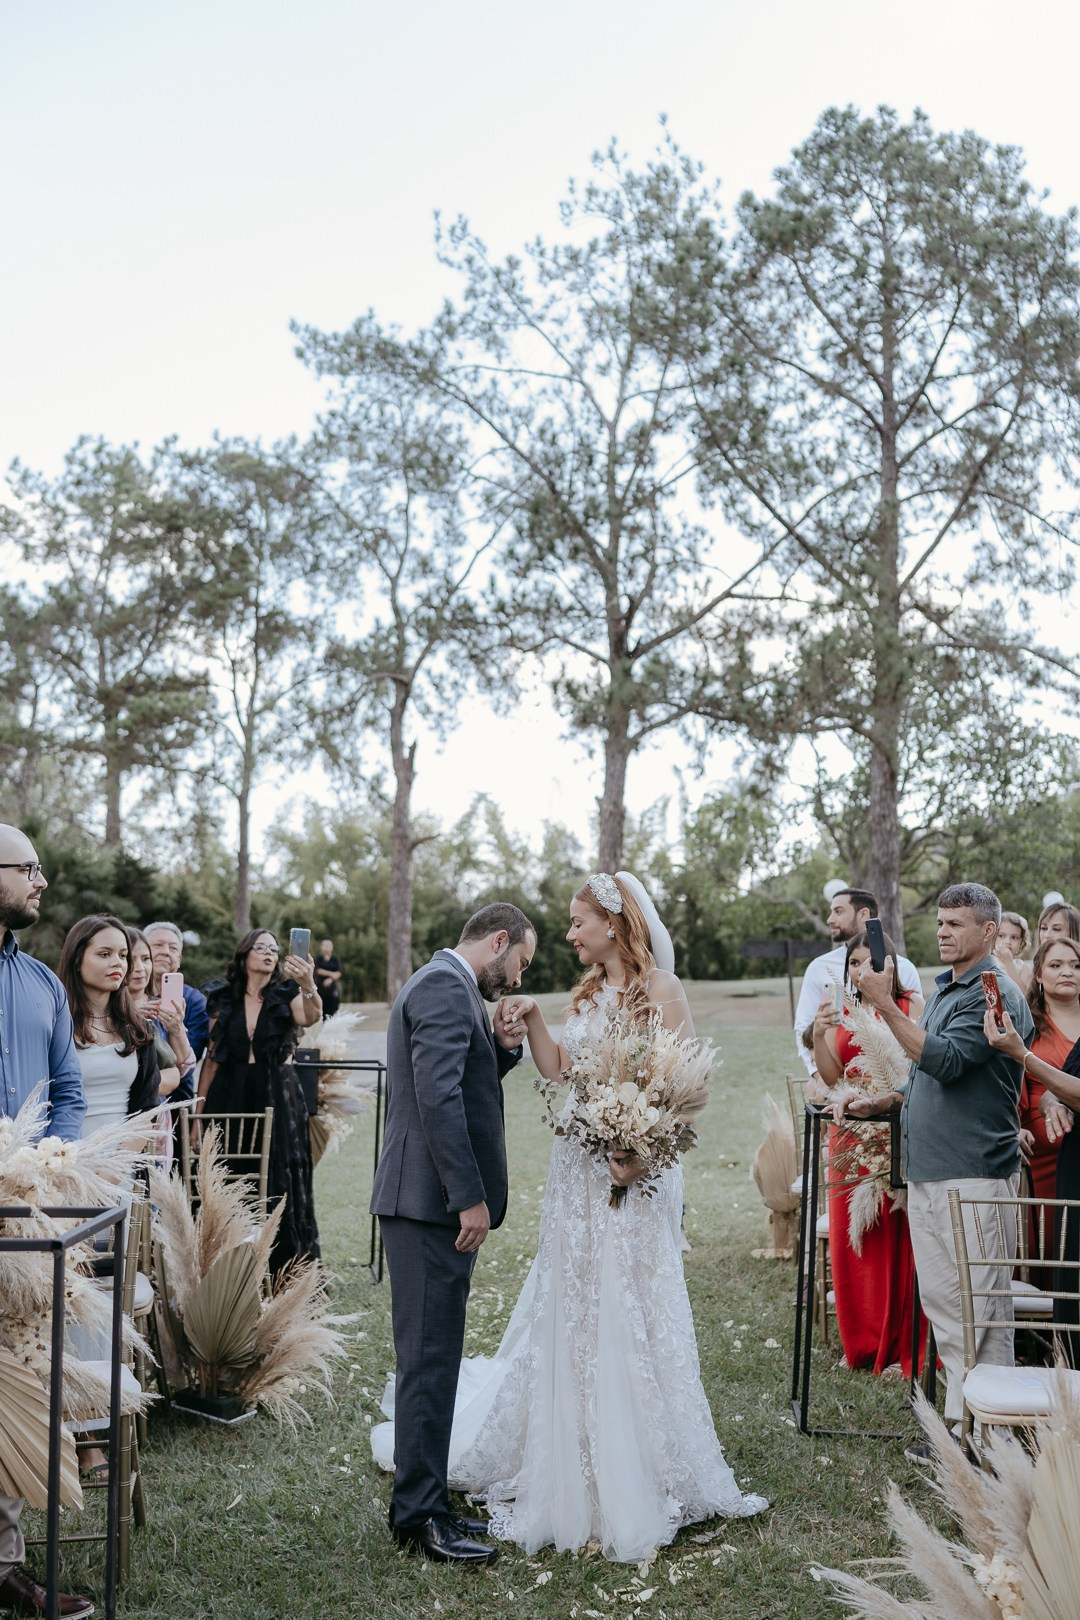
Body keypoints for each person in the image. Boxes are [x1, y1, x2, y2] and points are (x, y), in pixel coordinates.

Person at [372, 874, 767, 1563]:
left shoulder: (664, 993)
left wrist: (641, 1152)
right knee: (578, 1308)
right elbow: (559, 1070)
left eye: (578, 922)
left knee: (633, 1307)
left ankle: (636, 1463)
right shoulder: (583, 996)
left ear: (615, 925)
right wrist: (529, 1026)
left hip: (634, 1171)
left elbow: (690, 1088)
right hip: (581, 1174)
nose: (569, 934)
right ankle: (569, 1458)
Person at [370, 904, 535, 1566]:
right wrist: (467, 1198)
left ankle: (428, 1494)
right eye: (520, 961)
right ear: (498, 940)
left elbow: (461, 1085)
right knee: (429, 1361)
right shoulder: (443, 987)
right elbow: (436, 1101)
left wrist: (500, 1047)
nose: (517, 976)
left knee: (435, 1357)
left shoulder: (451, 986)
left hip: (425, 1203)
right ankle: (419, 1518)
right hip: (429, 1204)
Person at [846, 882, 1032, 1459]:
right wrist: (889, 1100)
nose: (943, 931)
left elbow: (948, 1061)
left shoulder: (991, 991)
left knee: (983, 1309)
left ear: (990, 932)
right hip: (932, 1172)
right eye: (941, 922)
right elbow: (929, 1073)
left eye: (956, 923)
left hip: (974, 1173)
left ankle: (993, 1442)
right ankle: (961, 1429)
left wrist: (880, 1003)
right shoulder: (949, 989)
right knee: (949, 1308)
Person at [0, 825, 94, 1619]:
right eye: (26, 868)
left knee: (19, 1380)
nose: (41, 880)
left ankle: (3, 1563)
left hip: (26, 1220)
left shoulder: (42, 983)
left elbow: (69, 1086)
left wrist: (52, 1153)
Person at [57, 914, 162, 1480]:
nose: (119, 962)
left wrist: (128, 1162)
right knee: (64, 1304)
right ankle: (58, 1429)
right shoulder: (55, 1022)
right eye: (105, 953)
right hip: (61, 1178)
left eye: (123, 953)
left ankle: (94, 1434)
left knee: (101, 1306)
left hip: (115, 1185)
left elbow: (144, 1109)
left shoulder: (134, 1030)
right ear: (78, 958)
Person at [812, 929, 924, 1375]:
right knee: (853, 1240)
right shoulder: (843, 1008)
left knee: (893, 1237)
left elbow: (916, 1062)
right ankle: (860, 1342)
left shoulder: (910, 1003)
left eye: (868, 962)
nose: (860, 970)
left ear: (889, 965)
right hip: (849, 1133)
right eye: (853, 963)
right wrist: (821, 1037)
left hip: (893, 1128)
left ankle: (899, 1342)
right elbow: (832, 1073)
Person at [196, 930, 322, 1276]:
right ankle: (230, 1269)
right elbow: (212, 1059)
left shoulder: (287, 992)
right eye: (261, 947)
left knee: (279, 1175)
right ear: (245, 954)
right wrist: (197, 1116)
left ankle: (282, 1271)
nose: (269, 953)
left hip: (276, 1094)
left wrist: (308, 983)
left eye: (274, 949)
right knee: (232, 1171)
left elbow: (311, 1017)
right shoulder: (223, 997)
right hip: (229, 1093)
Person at [793, 888, 921, 1080]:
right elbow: (805, 1027)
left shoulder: (906, 974)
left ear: (863, 914)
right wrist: (816, 1076)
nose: (829, 919)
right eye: (853, 963)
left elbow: (922, 1050)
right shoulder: (823, 975)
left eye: (838, 911)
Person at [143, 921, 210, 1061]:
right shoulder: (124, 993)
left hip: (177, 1081)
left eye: (173, 948)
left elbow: (190, 1059)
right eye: (158, 945)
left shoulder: (194, 1000)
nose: (166, 952)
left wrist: (176, 1029)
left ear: (179, 960)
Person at [995, 910, 1032, 993]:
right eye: (1001, 936)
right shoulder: (987, 962)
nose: (1007, 941)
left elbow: (1023, 995)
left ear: (1022, 943)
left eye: (1014, 937)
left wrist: (1009, 963)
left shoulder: (1023, 968)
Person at [313, 939, 342, 1018]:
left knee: (333, 1011)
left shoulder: (335, 959)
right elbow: (318, 970)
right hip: (320, 988)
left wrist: (330, 979)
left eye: (328, 945)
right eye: (324, 945)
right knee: (321, 1010)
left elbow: (339, 973)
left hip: (332, 989)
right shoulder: (318, 958)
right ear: (321, 947)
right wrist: (332, 974)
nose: (326, 947)